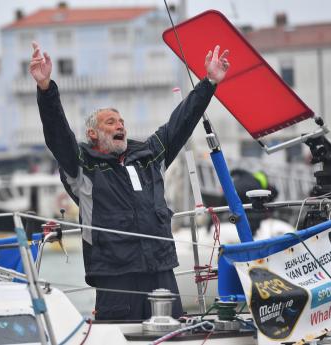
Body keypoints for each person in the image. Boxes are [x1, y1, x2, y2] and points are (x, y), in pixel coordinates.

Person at [29, 41, 230, 320]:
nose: (120, 125)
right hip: (115, 276)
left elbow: (180, 122)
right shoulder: (82, 166)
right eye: (110, 122)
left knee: (172, 332)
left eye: (121, 121)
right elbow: (57, 135)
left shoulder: (149, 156)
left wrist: (209, 82)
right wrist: (46, 88)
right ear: (93, 135)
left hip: (161, 270)